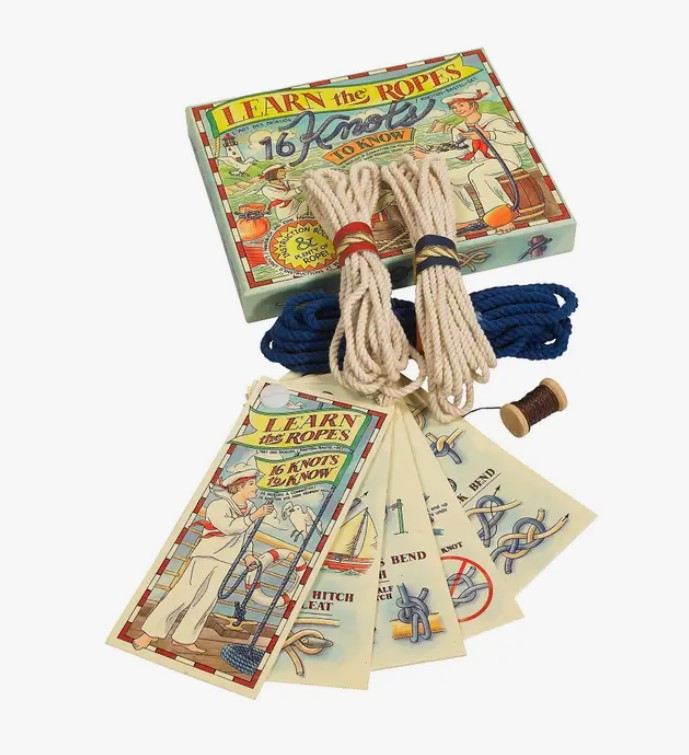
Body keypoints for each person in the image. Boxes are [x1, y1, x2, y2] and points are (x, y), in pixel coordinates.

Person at [132, 464, 273, 654]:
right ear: (239, 486)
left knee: (206, 601)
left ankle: (185, 638)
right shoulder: (219, 505)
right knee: (184, 594)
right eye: (251, 484)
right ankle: (150, 633)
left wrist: (248, 555)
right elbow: (228, 527)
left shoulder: (250, 509)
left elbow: (246, 536)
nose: (256, 487)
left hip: (227, 562)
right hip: (207, 556)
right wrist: (255, 516)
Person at [413, 83, 527, 234]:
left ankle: (504, 219)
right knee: (446, 177)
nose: (458, 109)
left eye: (461, 105)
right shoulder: (458, 129)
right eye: (454, 107)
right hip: (481, 163)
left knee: (478, 174)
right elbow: (462, 150)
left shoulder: (494, 120)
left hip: (505, 160)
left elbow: (520, 138)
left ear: (473, 105)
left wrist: (488, 135)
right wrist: (430, 155)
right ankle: (467, 218)